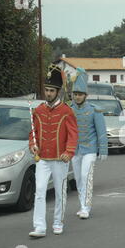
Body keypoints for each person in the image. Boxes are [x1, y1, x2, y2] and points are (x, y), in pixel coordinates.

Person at [29, 64, 78, 238]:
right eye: (46, 90)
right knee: (40, 191)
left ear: (58, 91)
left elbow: (73, 135)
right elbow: (32, 132)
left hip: (60, 159)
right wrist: (32, 145)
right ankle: (39, 226)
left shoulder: (67, 111)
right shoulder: (38, 110)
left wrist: (69, 152)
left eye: (51, 90)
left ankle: (58, 222)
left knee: (60, 192)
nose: (48, 93)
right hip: (42, 158)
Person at [70, 67, 108, 220]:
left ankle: (86, 207)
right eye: (75, 94)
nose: (77, 97)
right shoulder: (69, 110)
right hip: (75, 149)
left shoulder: (94, 110)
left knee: (86, 176)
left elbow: (101, 131)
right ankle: (82, 205)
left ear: (86, 95)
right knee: (78, 178)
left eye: (80, 94)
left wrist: (103, 149)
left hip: (90, 148)